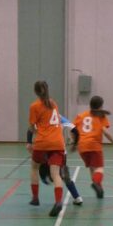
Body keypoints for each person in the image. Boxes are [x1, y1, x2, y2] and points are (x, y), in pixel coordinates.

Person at [28, 80, 67, 217]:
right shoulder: (53, 103)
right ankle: (58, 202)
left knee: (34, 167)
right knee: (55, 173)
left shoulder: (34, 106)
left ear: (35, 91)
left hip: (43, 142)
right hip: (58, 141)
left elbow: (32, 127)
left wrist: (31, 139)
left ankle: (35, 198)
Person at [72, 95, 113, 199]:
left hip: (82, 146)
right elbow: (105, 132)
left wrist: (74, 143)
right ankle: (96, 183)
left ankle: (99, 190)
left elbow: (73, 131)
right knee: (99, 168)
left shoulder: (81, 115)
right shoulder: (100, 116)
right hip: (94, 145)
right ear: (100, 107)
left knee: (92, 167)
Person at [38, 114, 85, 206]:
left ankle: (48, 181)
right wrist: (75, 144)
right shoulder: (59, 117)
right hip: (60, 150)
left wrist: (29, 142)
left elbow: (31, 130)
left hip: (46, 150)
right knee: (62, 174)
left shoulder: (42, 116)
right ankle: (76, 197)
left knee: (53, 174)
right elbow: (75, 130)